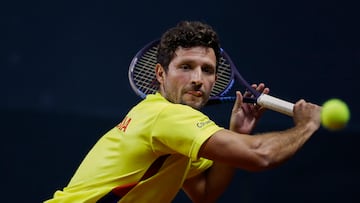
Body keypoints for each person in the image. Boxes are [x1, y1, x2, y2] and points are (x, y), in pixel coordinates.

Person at [45, 21, 321, 203]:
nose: (198, 78)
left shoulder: (164, 121)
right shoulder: (169, 117)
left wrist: (236, 132)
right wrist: (306, 125)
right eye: (186, 67)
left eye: (208, 69)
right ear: (161, 74)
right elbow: (260, 155)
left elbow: (204, 192)